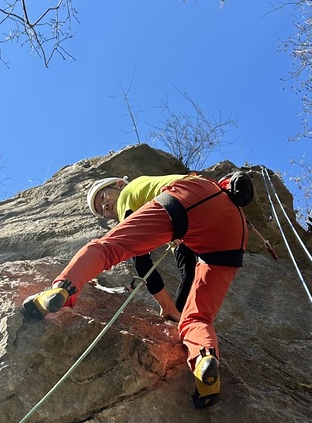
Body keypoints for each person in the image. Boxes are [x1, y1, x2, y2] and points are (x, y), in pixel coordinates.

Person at [23, 173, 248, 408]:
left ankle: (61, 289)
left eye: (103, 196)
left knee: (107, 248)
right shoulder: (155, 187)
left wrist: (167, 306)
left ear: (120, 184)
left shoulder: (130, 192)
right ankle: (205, 362)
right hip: (234, 227)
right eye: (100, 210)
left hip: (188, 197)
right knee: (198, 318)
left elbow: (141, 260)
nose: (104, 206)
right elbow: (188, 266)